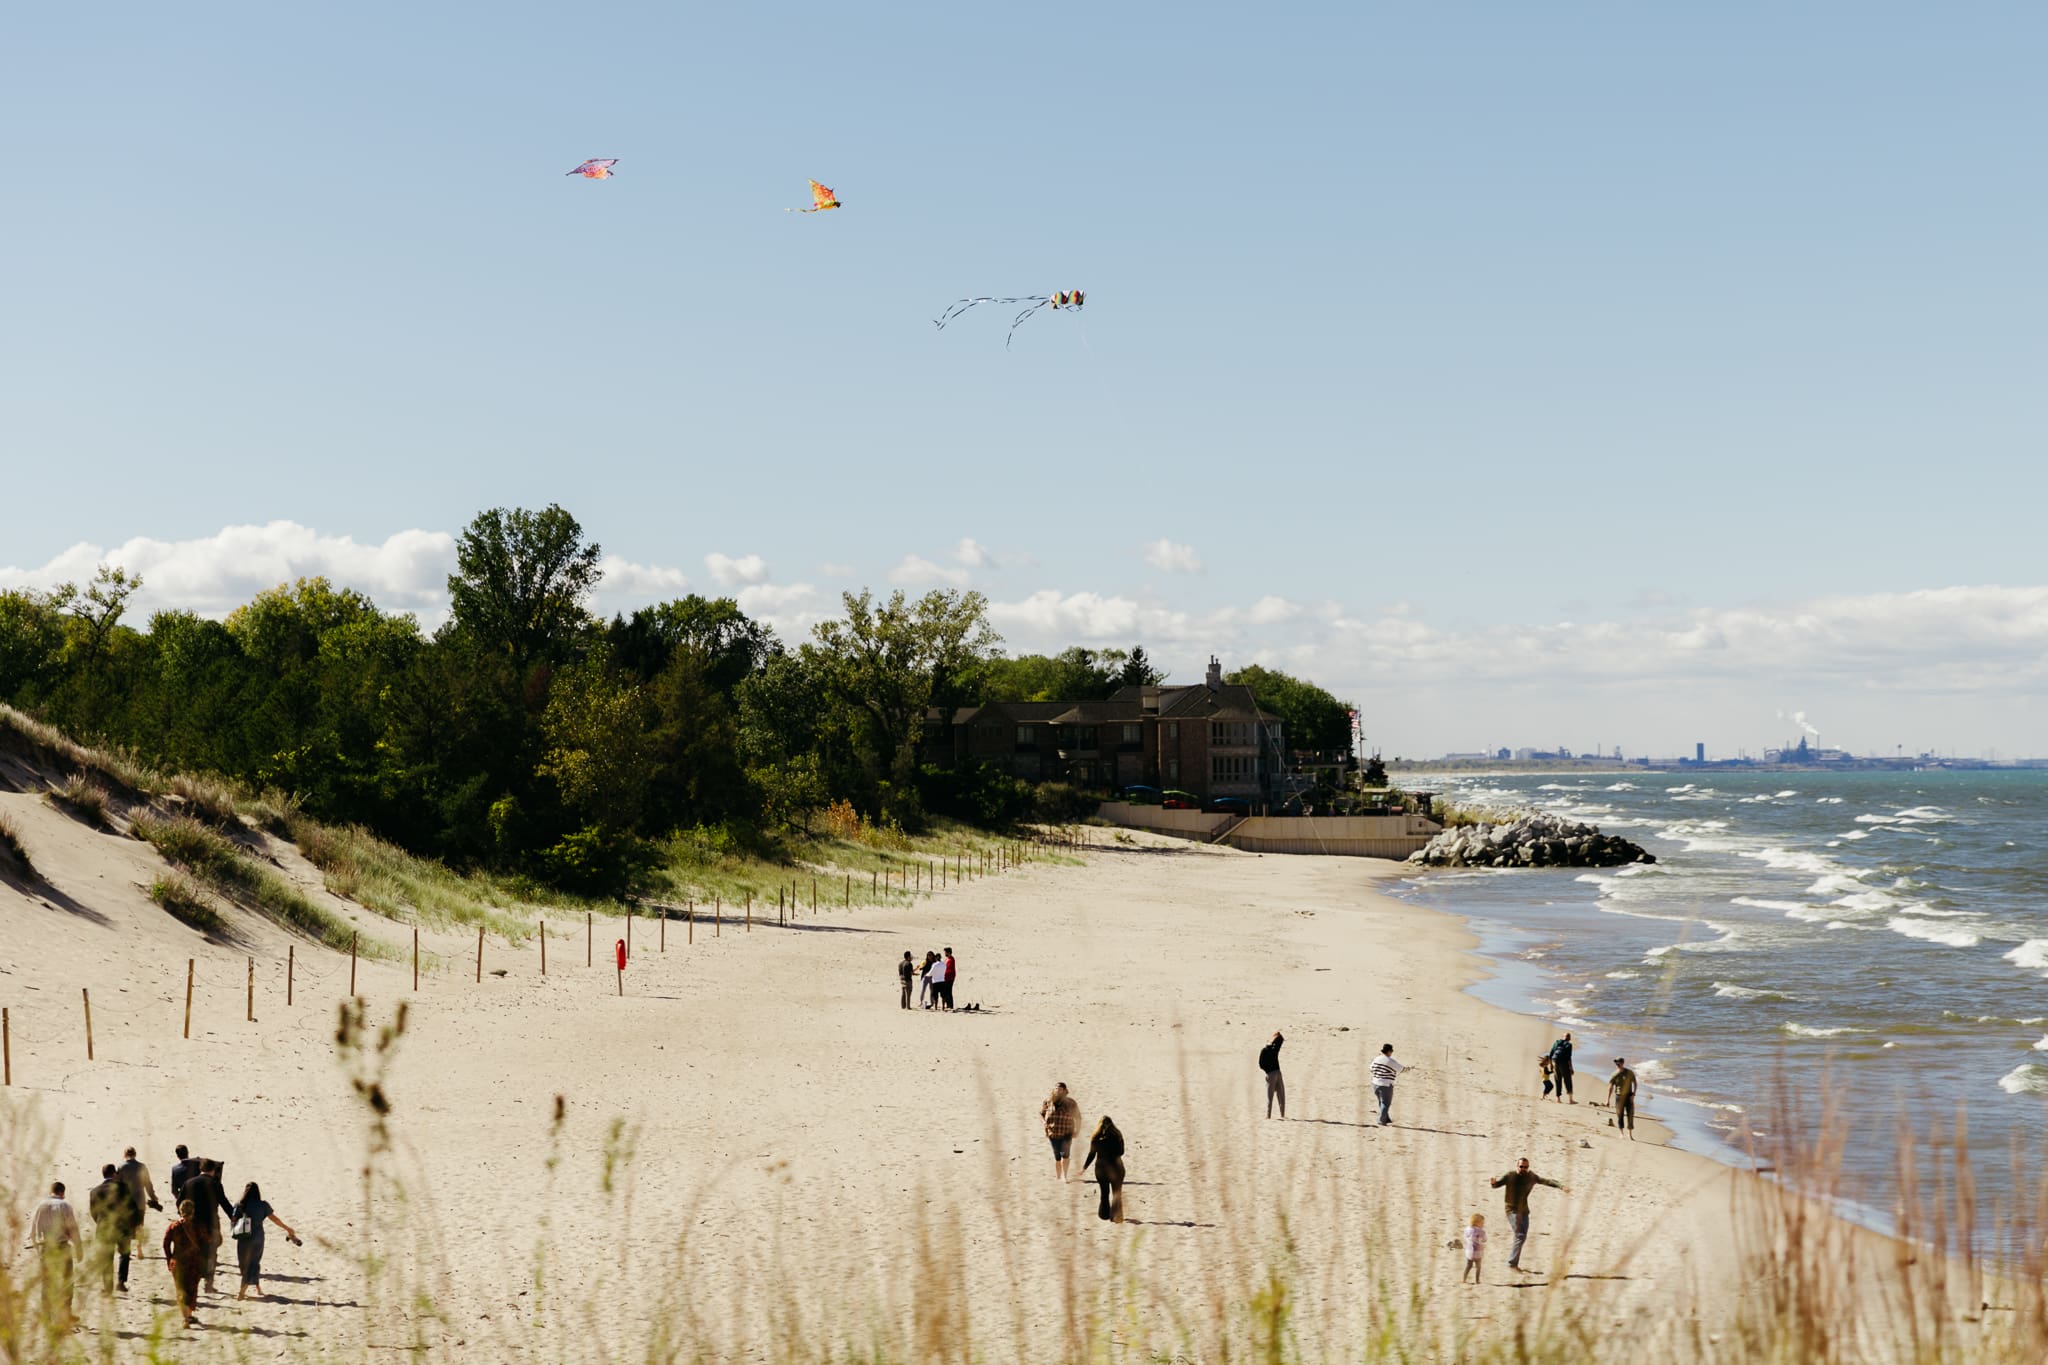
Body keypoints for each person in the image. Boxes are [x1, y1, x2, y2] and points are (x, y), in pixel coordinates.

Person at [1489, 1158, 1569, 1272]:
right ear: (1517, 1166)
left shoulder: (1531, 1177)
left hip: (1524, 1211)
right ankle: (1511, 1264)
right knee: (1520, 1235)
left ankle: (1513, 1263)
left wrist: (1561, 1186)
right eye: (1521, 1166)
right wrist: (1493, 1183)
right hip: (1511, 1210)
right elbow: (1497, 1185)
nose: (1523, 1169)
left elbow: (1548, 1181)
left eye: (1526, 1167)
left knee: (1522, 1237)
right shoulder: (1510, 1175)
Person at [229, 1180, 300, 1299]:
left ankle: (241, 1293)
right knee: (254, 1263)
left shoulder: (239, 1205)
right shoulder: (263, 1205)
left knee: (244, 1264)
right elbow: (275, 1219)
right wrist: (288, 1229)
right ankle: (256, 1287)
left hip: (244, 1238)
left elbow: (233, 1220)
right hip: (258, 1237)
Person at [30, 1181, 80, 1333]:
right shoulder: (65, 1206)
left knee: (47, 1284)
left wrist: (38, 1247)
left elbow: (33, 1230)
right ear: (62, 1192)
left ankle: (47, 1318)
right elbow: (73, 1229)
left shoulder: (40, 1206)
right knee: (67, 1282)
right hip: (62, 1247)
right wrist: (79, 1248)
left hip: (46, 1248)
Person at [87, 1162, 140, 1295]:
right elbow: (132, 1207)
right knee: (124, 1254)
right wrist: (133, 1224)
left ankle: (107, 1288)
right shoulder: (123, 1188)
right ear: (114, 1173)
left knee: (106, 1258)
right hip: (122, 1227)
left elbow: (94, 1212)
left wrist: (100, 1223)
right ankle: (121, 1282)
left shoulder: (95, 1191)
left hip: (104, 1228)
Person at [183, 1159, 234, 1293]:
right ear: (213, 1170)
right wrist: (233, 1216)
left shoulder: (189, 1183)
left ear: (201, 1168)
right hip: (211, 1224)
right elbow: (224, 1202)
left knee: (194, 1253)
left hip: (193, 1224)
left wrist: (185, 1217)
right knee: (211, 1254)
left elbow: (180, 1203)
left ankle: (193, 1283)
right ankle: (208, 1284)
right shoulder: (215, 1183)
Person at [162, 1200, 206, 1328]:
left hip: (178, 1262)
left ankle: (186, 1318)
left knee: (180, 1289)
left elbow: (165, 1243)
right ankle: (188, 1316)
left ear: (180, 1211)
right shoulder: (198, 1226)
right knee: (192, 1289)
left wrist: (169, 1258)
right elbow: (207, 1240)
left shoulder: (174, 1226)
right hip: (194, 1262)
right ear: (193, 1212)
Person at [116, 1147, 162, 1259]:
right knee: (139, 1226)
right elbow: (148, 1184)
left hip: (126, 1202)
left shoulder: (121, 1167)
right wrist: (153, 1197)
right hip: (139, 1201)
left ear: (125, 1154)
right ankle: (139, 1251)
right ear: (135, 1154)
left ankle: (126, 1251)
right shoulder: (142, 1167)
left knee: (126, 1226)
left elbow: (117, 1185)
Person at [1082, 1116, 1126, 1224]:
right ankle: (1116, 1216)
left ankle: (1104, 1214)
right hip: (1116, 1168)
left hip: (1101, 1170)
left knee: (1104, 1193)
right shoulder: (1118, 1136)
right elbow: (1121, 1152)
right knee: (1117, 1193)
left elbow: (1091, 1155)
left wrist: (1084, 1167)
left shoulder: (1096, 1139)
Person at [1040, 1082, 1080, 1182]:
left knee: (1065, 1155)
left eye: (1060, 1089)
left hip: (1066, 1133)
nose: (1058, 1090)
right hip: (1053, 1133)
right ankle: (1058, 1176)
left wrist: (1077, 1131)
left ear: (1065, 1091)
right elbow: (1041, 1114)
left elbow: (1078, 1117)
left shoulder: (1071, 1103)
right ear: (1054, 1090)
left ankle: (1064, 1176)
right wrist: (1044, 1122)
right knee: (1057, 1156)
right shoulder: (1048, 1102)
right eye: (1056, 1088)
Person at [1371, 1043, 1409, 1126]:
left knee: (1381, 1102)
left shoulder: (1377, 1058)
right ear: (1389, 1051)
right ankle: (1381, 1120)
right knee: (1386, 1103)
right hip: (1385, 1085)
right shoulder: (1390, 1061)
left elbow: (1371, 1068)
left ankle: (1386, 1118)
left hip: (1375, 1083)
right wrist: (1408, 1069)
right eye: (1391, 1051)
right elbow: (1401, 1069)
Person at [1608, 1057, 1638, 1138]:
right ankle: (1621, 1133)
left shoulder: (1629, 1073)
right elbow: (1610, 1087)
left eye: (1619, 1063)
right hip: (1619, 1097)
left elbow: (1635, 1083)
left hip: (1629, 1096)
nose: (1617, 1064)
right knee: (1620, 1115)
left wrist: (1633, 1095)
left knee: (1630, 1115)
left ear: (1623, 1063)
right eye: (1616, 1063)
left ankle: (1630, 1134)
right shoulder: (1614, 1074)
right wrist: (1607, 1100)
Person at [1259, 1031, 1286, 1119]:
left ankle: (1268, 1115)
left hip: (1270, 1074)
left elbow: (1261, 1064)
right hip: (1278, 1072)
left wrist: (1267, 1070)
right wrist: (1276, 1036)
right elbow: (1281, 1039)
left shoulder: (1264, 1050)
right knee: (1281, 1094)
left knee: (1269, 1096)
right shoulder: (1274, 1049)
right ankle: (1282, 1114)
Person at [1548, 1031, 1576, 1103]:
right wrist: (1571, 1068)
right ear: (1569, 1038)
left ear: (1563, 1037)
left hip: (1555, 1062)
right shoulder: (1569, 1045)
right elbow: (1568, 1058)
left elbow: (1551, 1054)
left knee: (1558, 1080)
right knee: (1567, 1080)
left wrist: (1551, 1064)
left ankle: (1558, 1099)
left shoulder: (1557, 1043)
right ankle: (1570, 1100)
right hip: (1564, 1063)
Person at [1462, 1213, 1487, 1284]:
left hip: (1469, 1251)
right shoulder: (1481, 1231)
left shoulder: (1467, 1229)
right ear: (1478, 1223)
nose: (1483, 1224)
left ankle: (1464, 1279)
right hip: (1478, 1252)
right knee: (1478, 1267)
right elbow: (1485, 1239)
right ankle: (1477, 1280)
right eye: (1482, 1223)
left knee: (1468, 1265)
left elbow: (1465, 1236)